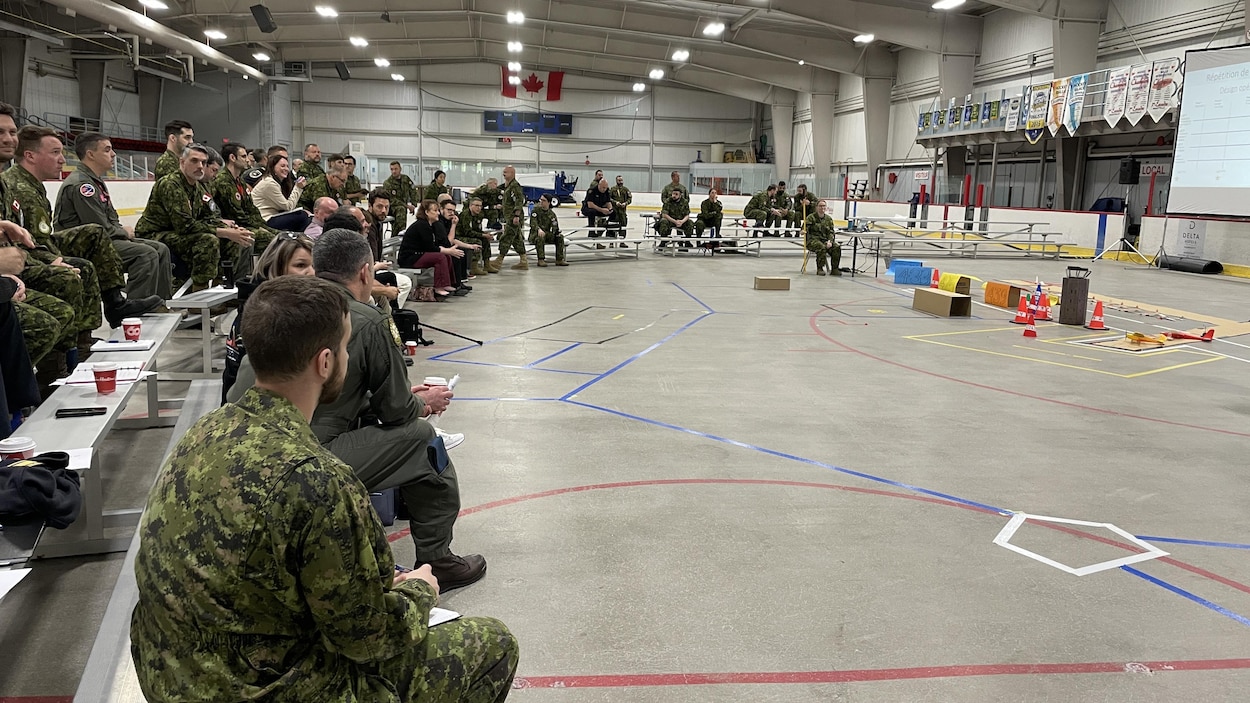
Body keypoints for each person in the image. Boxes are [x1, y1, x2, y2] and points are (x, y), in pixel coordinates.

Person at [135, 274, 517, 702]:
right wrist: (419, 590)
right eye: (344, 349)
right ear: (324, 362)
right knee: (492, 642)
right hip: (261, 689)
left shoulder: (201, 434)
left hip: (168, 677)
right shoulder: (320, 479)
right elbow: (368, 639)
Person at [3, 125, 162, 328]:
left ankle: (115, 303)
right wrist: (55, 260)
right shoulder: (20, 187)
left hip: (38, 247)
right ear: (30, 156)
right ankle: (80, 339)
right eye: (55, 153)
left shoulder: (33, 184)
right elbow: (32, 241)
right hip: (24, 256)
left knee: (94, 232)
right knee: (85, 265)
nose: (62, 159)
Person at [55, 132, 174, 305]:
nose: (113, 154)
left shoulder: (94, 180)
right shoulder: (82, 185)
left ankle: (161, 303)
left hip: (101, 239)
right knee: (145, 254)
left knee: (161, 249)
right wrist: (123, 232)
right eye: (107, 150)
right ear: (91, 154)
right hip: (83, 245)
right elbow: (98, 227)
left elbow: (111, 218)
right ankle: (138, 308)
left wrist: (121, 231)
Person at [135, 144, 255, 291]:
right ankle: (199, 295)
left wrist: (230, 229)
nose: (200, 166)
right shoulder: (171, 184)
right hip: (154, 234)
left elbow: (208, 217)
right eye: (194, 161)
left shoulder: (196, 187)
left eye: (203, 162)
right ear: (182, 162)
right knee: (207, 240)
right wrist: (225, 232)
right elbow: (185, 225)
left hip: (176, 233)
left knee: (233, 240)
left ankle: (221, 288)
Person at [222, 232, 315, 402]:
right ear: (276, 268)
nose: (311, 273)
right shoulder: (262, 315)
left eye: (315, 265)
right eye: (301, 265)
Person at [210, 143, 278, 250]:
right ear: (232, 158)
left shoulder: (240, 180)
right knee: (270, 239)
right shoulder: (223, 181)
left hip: (246, 224)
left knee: (282, 235)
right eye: (243, 156)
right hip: (234, 227)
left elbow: (251, 208)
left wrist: (263, 225)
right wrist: (259, 228)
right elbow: (237, 215)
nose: (247, 160)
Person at [399, 201, 460, 298]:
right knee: (440, 257)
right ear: (427, 212)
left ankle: (448, 283)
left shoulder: (429, 225)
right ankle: (439, 287)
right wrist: (448, 250)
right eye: (435, 210)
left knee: (446, 256)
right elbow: (430, 247)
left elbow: (433, 245)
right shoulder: (422, 225)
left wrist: (447, 251)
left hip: (418, 254)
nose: (438, 213)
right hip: (410, 258)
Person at [251, 153, 310, 230]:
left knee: (306, 216)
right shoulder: (269, 183)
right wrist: (298, 188)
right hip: (264, 219)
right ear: (273, 168)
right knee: (302, 216)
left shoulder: (277, 182)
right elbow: (288, 207)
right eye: (282, 166)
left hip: (273, 216)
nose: (286, 169)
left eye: (287, 166)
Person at [492, 166, 527, 271]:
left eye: (506, 172)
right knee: (517, 239)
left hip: (513, 218)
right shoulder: (508, 186)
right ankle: (523, 261)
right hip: (509, 217)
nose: (504, 174)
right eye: (503, 172)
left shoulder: (515, 186)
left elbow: (519, 201)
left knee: (506, 237)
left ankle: (499, 260)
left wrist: (516, 215)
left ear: (512, 173)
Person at [438, 199, 475, 287]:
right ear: (441, 209)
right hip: (438, 247)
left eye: (453, 210)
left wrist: (469, 246)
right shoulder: (439, 222)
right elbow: (449, 241)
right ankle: (455, 284)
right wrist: (454, 225)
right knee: (456, 254)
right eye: (449, 210)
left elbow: (453, 239)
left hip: (444, 246)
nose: (451, 213)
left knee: (463, 250)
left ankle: (461, 280)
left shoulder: (448, 221)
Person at [458, 197, 496, 275]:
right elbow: (467, 232)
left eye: (480, 206)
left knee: (485, 240)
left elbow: (477, 230)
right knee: (477, 241)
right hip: (460, 237)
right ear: (470, 206)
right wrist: (482, 235)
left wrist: (486, 235)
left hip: (470, 235)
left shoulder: (479, 215)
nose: (479, 208)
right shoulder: (465, 215)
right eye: (476, 205)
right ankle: (474, 267)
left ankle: (487, 264)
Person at [805, 199, 842, 276]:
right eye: (820, 206)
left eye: (824, 206)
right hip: (812, 241)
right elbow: (804, 229)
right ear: (816, 207)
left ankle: (835, 269)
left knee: (836, 247)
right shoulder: (811, 217)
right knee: (821, 247)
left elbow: (831, 232)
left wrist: (830, 241)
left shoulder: (828, 219)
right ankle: (820, 268)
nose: (822, 208)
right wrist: (803, 231)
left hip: (825, 240)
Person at [528, 194, 566, 267]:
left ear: (549, 202)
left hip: (547, 234)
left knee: (560, 237)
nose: (541, 202)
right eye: (541, 200)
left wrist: (556, 232)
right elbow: (533, 224)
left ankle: (559, 259)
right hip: (535, 234)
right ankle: (541, 260)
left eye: (544, 200)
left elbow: (555, 225)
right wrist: (539, 230)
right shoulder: (535, 211)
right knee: (540, 238)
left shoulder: (551, 214)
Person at [382, 161, 417, 233]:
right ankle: (397, 235)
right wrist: (407, 206)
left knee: (402, 209)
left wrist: (413, 204)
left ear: (400, 169)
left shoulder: (406, 179)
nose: (394, 171)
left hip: (402, 207)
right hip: (391, 207)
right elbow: (391, 200)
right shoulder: (388, 183)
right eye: (392, 169)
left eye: (395, 169)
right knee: (401, 209)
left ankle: (401, 234)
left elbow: (413, 191)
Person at [583, 178, 614, 247]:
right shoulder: (592, 191)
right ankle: (591, 231)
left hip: (599, 208)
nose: (604, 189)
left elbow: (608, 202)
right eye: (603, 188)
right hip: (589, 208)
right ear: (599, 185)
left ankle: (610, 231)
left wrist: (610, 209)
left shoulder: (607, 191)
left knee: (613, 212)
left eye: (605, 188)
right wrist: (602, 210)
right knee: (592, 212)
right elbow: (590, 204)